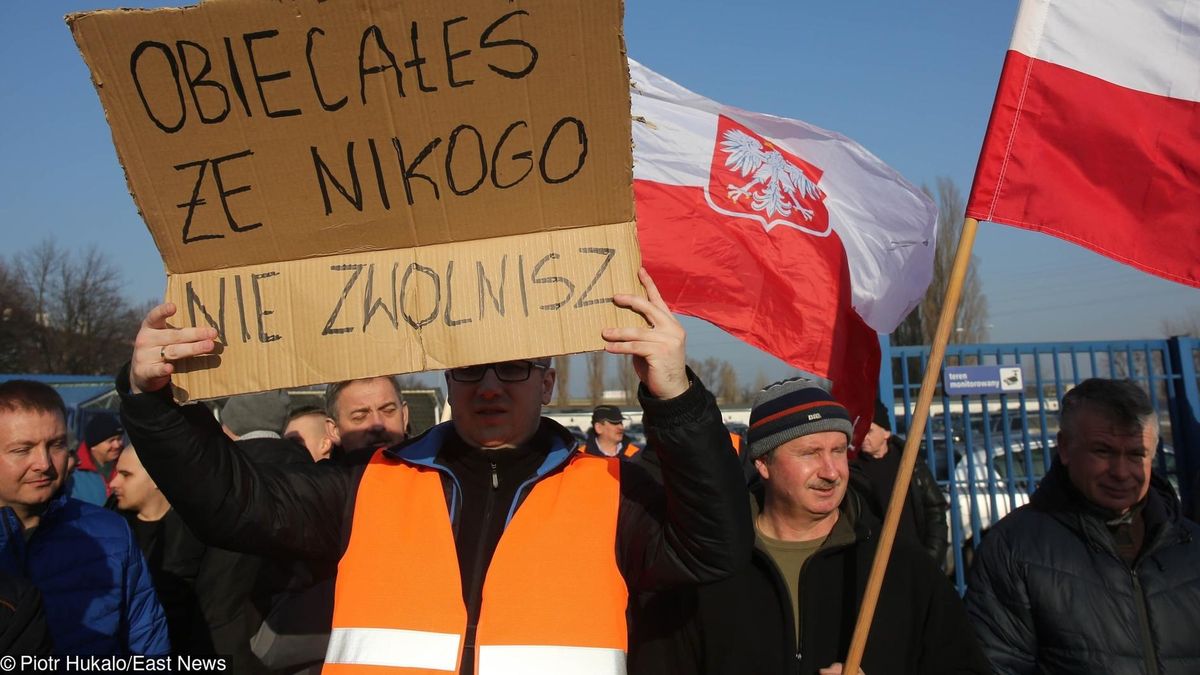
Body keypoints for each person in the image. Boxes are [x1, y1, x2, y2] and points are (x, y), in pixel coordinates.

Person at [119, 268, 750, 675]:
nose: (491, 388)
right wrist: (153, 404)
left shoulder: (611, 488)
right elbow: (235, 504)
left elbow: (716, 547)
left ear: (549, 382)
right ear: (449, 380)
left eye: (514, 368)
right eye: (471, 369)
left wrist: (676, 398)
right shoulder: (374, 480)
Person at [630, 377, 989, 675]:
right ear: (763, 464)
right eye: (809, 453)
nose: (831, 471)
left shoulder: (898, 565)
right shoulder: (708, 569)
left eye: (838, 451)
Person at [965, 378, 1200, 674]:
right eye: (1103, 452)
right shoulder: (1014, 549)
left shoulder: (1190, 545)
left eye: (1136, 454)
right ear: (1064, 448)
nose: (1121, 472)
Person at [0, 379, 168, 655]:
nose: (43, 463)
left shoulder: (112, 533)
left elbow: (147, 644)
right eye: (22, 449)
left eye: (56, 445)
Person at [110, 444, 263, 660]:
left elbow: (217, 610)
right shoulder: (110, 530)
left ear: (156, 477)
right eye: (116, 473)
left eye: (126, 475)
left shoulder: (200, 533)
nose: (113, 482)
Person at [853, 400, 949, 566]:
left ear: (886, 433)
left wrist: (933, 554)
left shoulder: (910, 463)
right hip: (875, 565)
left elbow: (935, 509)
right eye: (860, 431)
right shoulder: (853, 470)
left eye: (869, 431)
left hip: (917, 560)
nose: (864, 437)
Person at [323, 376, 409, 452]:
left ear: (404, 416)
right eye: (360, 417)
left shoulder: (421, 467)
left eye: (388, 410)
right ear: (334, 431)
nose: (377, 424)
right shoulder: (320, 470)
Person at [67, 414, 125, 505]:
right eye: (111, 440)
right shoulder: (73, 473)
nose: (117, 445)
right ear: (94, 445)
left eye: (119, 439)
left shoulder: (127, 467)